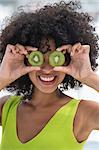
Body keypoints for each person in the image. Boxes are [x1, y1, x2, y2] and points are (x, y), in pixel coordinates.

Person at [0, 1, 99, 150]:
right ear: (26, 60)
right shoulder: (7, 107)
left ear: (68, 60)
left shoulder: (84, 112)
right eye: (38, 58)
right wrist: (3, 77)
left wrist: (88, 76)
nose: (47, 69)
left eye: (56, 58)